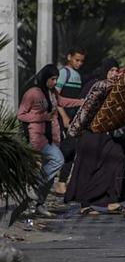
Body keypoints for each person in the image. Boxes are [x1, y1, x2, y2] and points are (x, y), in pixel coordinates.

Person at [65, 58, 125, 216]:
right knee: (87, 167)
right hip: (91, 133)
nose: (114, 74)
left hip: (108, 134)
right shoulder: (98, 86)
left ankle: (113, 201)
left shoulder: (118, 88)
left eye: (116, 70)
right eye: (111, 70)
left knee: (117, 159)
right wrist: (75, 130)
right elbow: (86, 108)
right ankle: (85, 204)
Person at [17, 64, 84, 217]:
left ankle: (40, 204)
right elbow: (20, 115)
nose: (55, 82)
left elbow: (63, 102)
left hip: (53, 137)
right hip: (37, 137)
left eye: (56, 79)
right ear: (45, 78)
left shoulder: (52, 93)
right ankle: (33, 185)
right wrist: (41, 117)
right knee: (58, 160)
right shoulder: (32, 93)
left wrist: (81, 102)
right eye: (52, 79)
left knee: (51, 173)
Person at [54, 46, 86, 196]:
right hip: (64, 118)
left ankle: (62, 182)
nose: (79, 63)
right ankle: (59, 181)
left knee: (72, 149)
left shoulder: (77, 75)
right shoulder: (63, 73)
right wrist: (64, 116)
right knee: (67, 149)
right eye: (76, 60)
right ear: (69, 57)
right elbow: (56, 97)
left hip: (73, 118)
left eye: (81, 61)